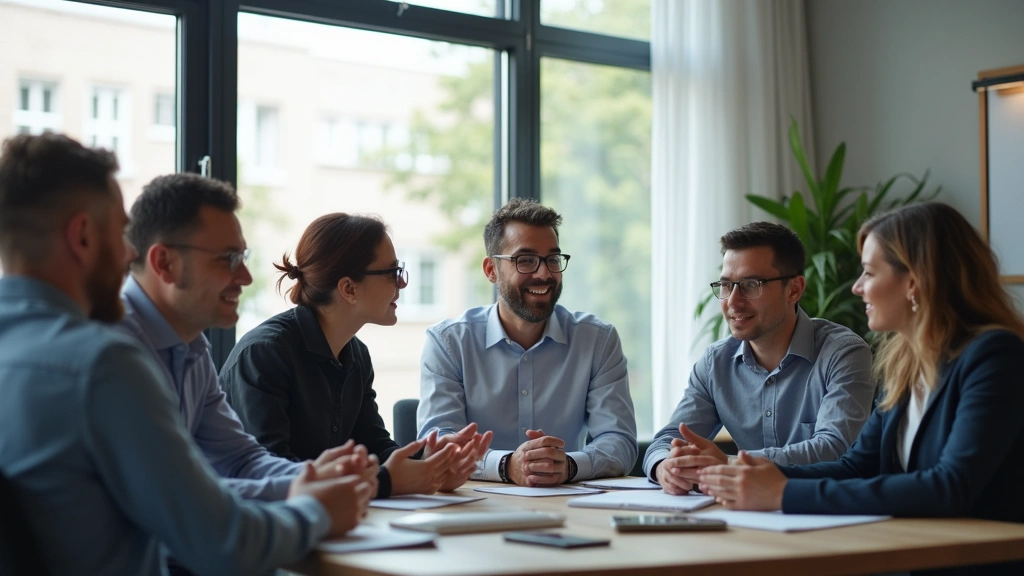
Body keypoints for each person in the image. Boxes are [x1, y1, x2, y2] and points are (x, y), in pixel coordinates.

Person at [0, 133, 376, 576]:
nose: (128, 253)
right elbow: (221, 542)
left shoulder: (174, 347)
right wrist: (318, 511)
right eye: (119, 234)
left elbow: (227, 466)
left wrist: (305, 482)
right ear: (83, 236)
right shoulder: (103, 364)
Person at [698, 204, 1024, 547]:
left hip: (971, 561)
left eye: (869, 273)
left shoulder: (994, 356)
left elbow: (950, 486)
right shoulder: (905, 364)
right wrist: (748, 476)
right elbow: (857, 466)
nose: (857, 287)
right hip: (910, 550)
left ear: (913, 281)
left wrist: (784, 492)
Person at [116, 173, 372, 502]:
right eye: (228, 259)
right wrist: (311, 505)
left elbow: (241, 460)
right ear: (165, 263)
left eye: (243, 257)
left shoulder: (192, 347)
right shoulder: (115, 350)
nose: (246, 277)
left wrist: (321, 478)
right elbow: (171, 497)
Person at [221, 213, 491, 498]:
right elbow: (270, 470)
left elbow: (374, 445)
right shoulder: (265, 353)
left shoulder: (356, 354)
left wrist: (429, 464)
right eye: (391, 273)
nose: (402, 284)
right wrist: (385, 481)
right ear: (348, 288)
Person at [418, 198, 638, 486]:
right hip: (477, 508)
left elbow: (619, 440)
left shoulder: (597, 340)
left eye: (552, 259)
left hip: (568, 506)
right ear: (491, 270)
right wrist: (507, 466)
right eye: (526, 260)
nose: (544, 273)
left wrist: (570, 465)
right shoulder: (448, 343)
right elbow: (438, 445)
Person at [646, 222, 875, 494]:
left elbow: (837, 449)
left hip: (829, 515)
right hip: (748, 514)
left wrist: (730, 463)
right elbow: (668, 439)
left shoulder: (843, 353)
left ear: (794, 289)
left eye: (750, 285)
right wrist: (666, 467)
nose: (733, 301)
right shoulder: (714, 364)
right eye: (726, 285)